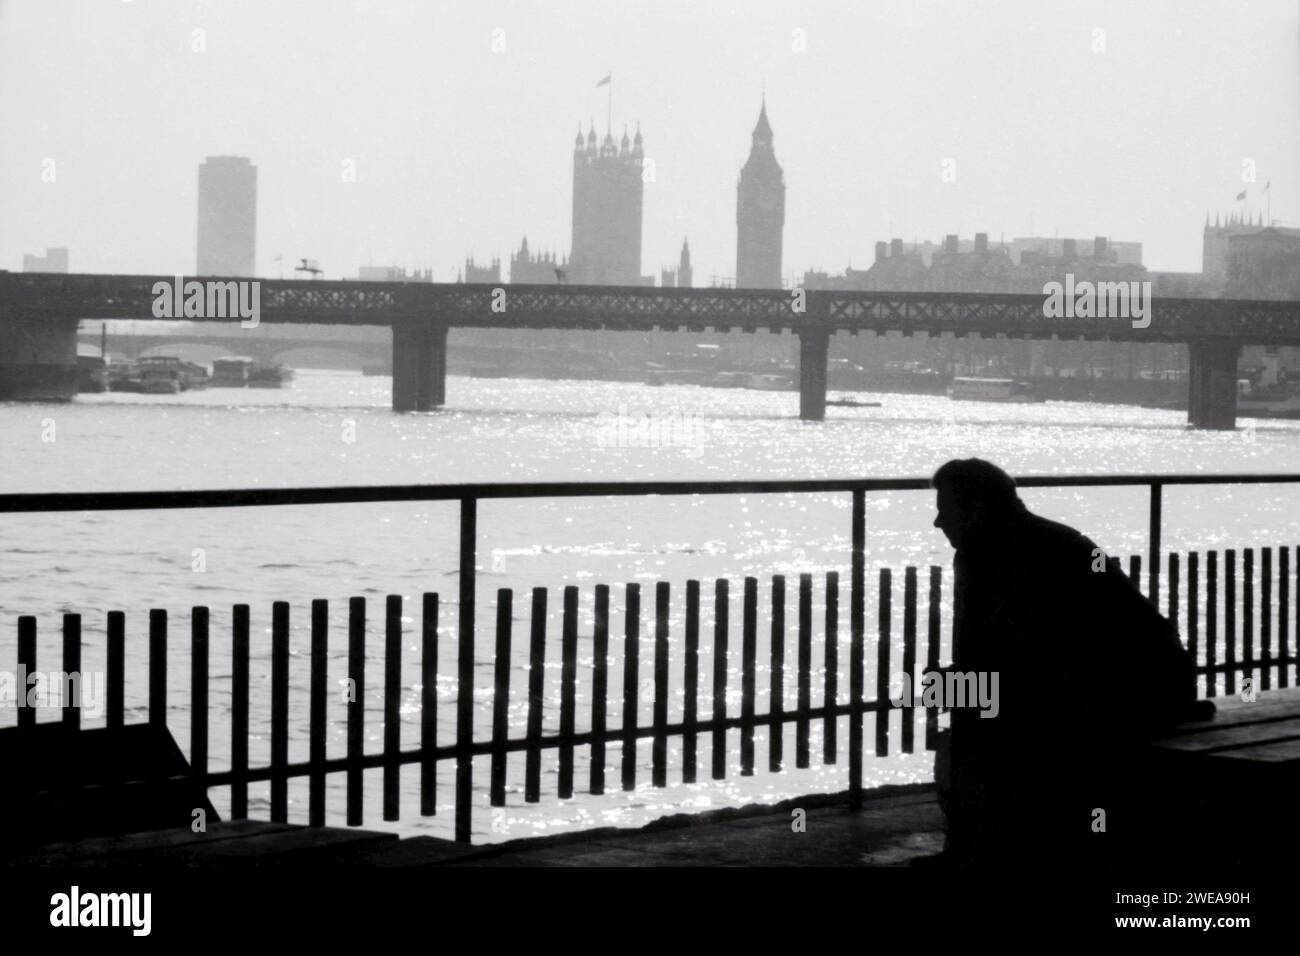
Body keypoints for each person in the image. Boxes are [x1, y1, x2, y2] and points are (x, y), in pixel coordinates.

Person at [924, 458, 1209, 868]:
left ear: (977, 511)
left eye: (945, 510)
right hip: (1152, 686)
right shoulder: (1053, 540)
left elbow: (1000, 663)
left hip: (1106, 697)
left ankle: (979, 847)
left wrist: (947, 687)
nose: (937, 522)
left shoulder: (985, 554)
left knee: (980, 730)